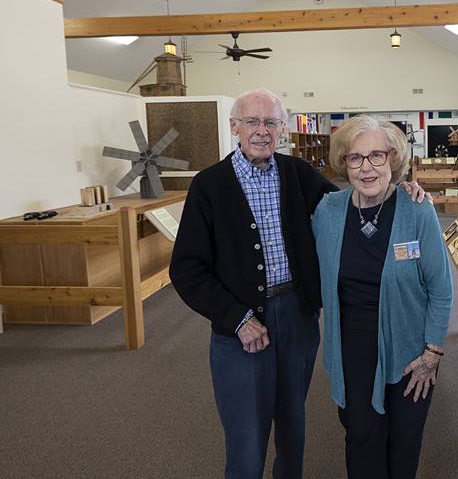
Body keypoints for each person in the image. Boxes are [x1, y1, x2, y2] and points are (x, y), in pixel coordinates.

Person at [169, 89, 426, 479]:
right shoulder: (209, 185)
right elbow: (186, 269)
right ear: (234, 126)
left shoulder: (297, 174)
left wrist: (399, 190)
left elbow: (352, 204)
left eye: (270, 122)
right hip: (240, 326)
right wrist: (237, 318)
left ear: (282, 129)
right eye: (252, 122)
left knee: (293, 426)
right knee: (247, 436)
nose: (261, 131)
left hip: (296, 317)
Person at [311, 116, 453, 479]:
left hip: (410, 352)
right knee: (362, 437)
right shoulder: (328, 211)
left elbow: (441, 288)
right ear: (344, 164)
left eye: (377, 155)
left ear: (393, 158)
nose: (367, 167)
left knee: (404, 442)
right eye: (355, 158)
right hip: (352, 350)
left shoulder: (417, 209)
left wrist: (432, 352)